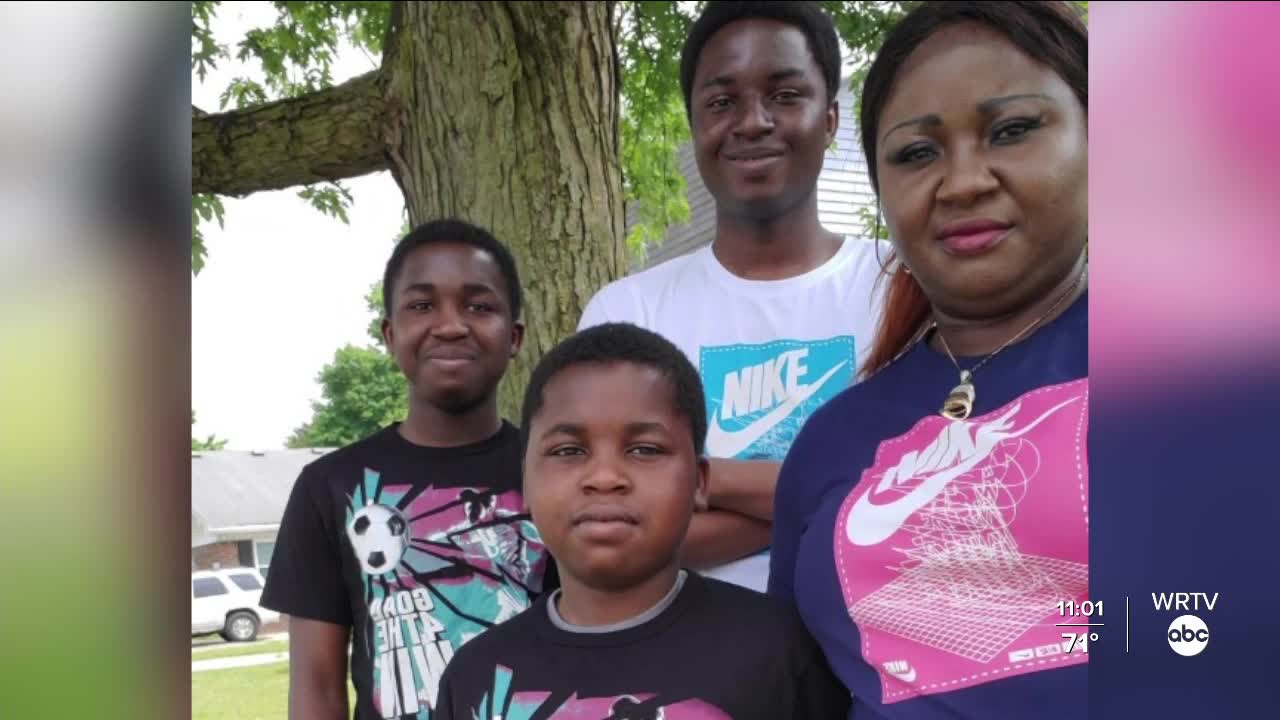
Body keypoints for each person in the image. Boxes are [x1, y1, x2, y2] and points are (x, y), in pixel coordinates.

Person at [767, 2, 1089, 718]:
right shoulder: (832, 440)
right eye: (917, 153)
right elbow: (798, 686)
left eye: (1012, 130)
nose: (963, 181)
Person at [577, 0, 888, 594]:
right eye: (722, 103)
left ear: (830, 118)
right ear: (695, 125)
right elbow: (620, 529)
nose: (752, 122)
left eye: (785, 95)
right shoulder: (627, 315)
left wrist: (699, 478)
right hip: (689, 648)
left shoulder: (903, 288)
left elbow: (931, 495)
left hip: (868, 645)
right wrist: (840, 492)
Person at [433, 322, 851, 719]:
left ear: (699, 482)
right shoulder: (477, 677)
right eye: (568, 451)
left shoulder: (779, 651)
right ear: (525, 479)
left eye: (645, 450)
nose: (604, 477)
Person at [261, 219, 556, 720]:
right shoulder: (329, 486)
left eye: (479, 306)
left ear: (514, 336)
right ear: (390, 334)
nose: (450, 325)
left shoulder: (559, 472)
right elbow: (316, 686)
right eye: (422, 306)